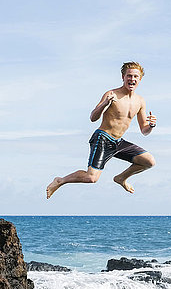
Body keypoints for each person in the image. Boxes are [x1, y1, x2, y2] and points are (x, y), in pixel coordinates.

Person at [46, 61, 156, 198]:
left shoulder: (140, 101)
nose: (132, 79)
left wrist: (150, 126)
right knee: (91, 178)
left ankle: (121, 178)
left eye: (135, 77)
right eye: (129, 76)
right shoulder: (112, 94)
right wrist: (104, 104)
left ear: (140, 79)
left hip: (119, 142)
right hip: (103, 138)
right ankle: (60, 180)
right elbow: (93, 117)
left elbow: (144, 130)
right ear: (123, 77)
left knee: (149, 161)